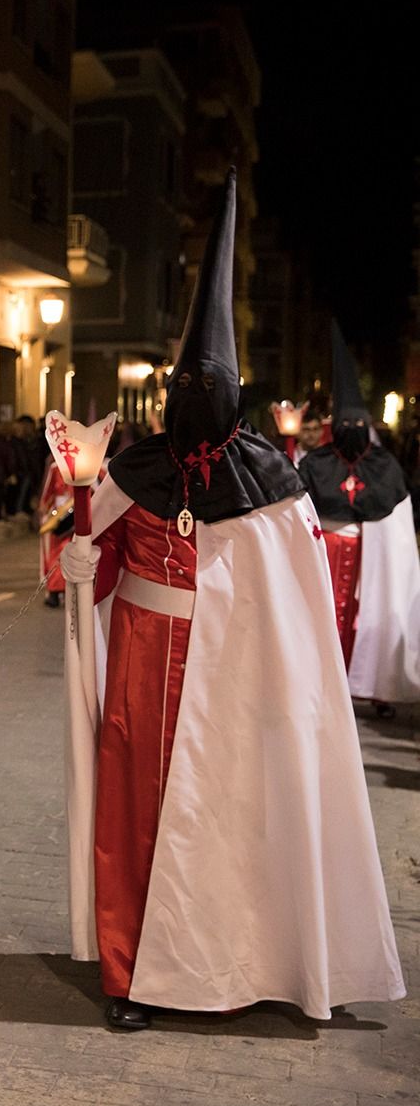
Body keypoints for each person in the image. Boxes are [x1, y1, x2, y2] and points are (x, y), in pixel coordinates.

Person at [58, 171, 404, 1031]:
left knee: (232, 820)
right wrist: (71, 562)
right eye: (183, 394)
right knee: (132, 820)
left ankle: (234, 960)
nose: (191, 407)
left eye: (206, 395)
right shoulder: (132, 469)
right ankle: (128, 972)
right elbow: (92, 572)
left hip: (231, 682)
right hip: (142, 668)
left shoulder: (272, 483)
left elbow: (293, 610)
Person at [299, 328, 420, 710]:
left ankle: (371, 681)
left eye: (356, 424)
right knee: (323, 621)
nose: (350, 431)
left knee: (362, 621)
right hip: (327, 552)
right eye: (344, 425)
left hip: (370, 561)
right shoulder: (316, 464)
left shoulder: (384, 466)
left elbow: (397, 522)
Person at [35, 458, 73, 609]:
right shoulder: (55, 467)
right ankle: (55, 590)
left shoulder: (87, 463)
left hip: (77, 514)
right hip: (58, 516)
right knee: (57, 553)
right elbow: (47, 493)